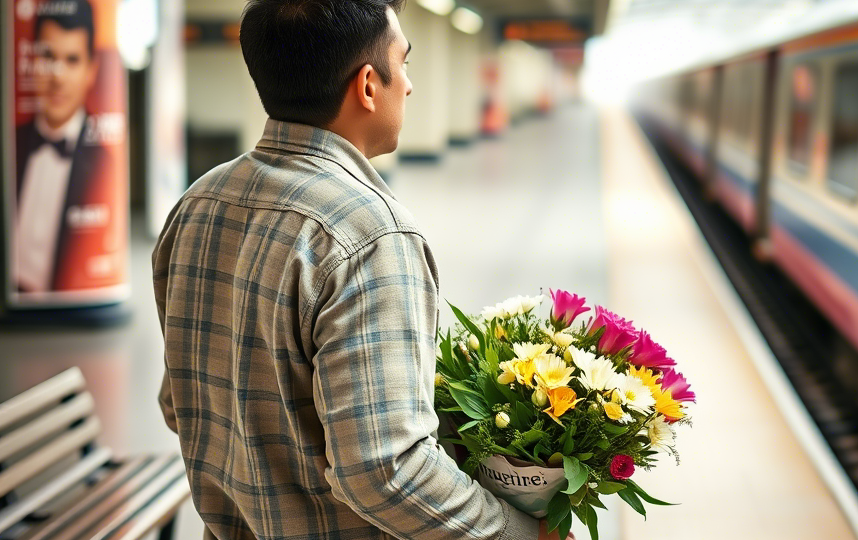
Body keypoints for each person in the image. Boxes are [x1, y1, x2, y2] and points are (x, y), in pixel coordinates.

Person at [153, 1, 572, 539]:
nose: (411, 86)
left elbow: (178, 403)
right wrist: (517, 531)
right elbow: (386, 470)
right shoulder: (370, 235)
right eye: (405, 62)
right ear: (369, 85)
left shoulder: (197, 205)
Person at [14, 0, 109, 293]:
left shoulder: (106, 164)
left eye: (71, 60)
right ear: (31, 59)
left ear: (91, 70)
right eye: (47, 55)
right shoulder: (12, 144)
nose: (57, 76)